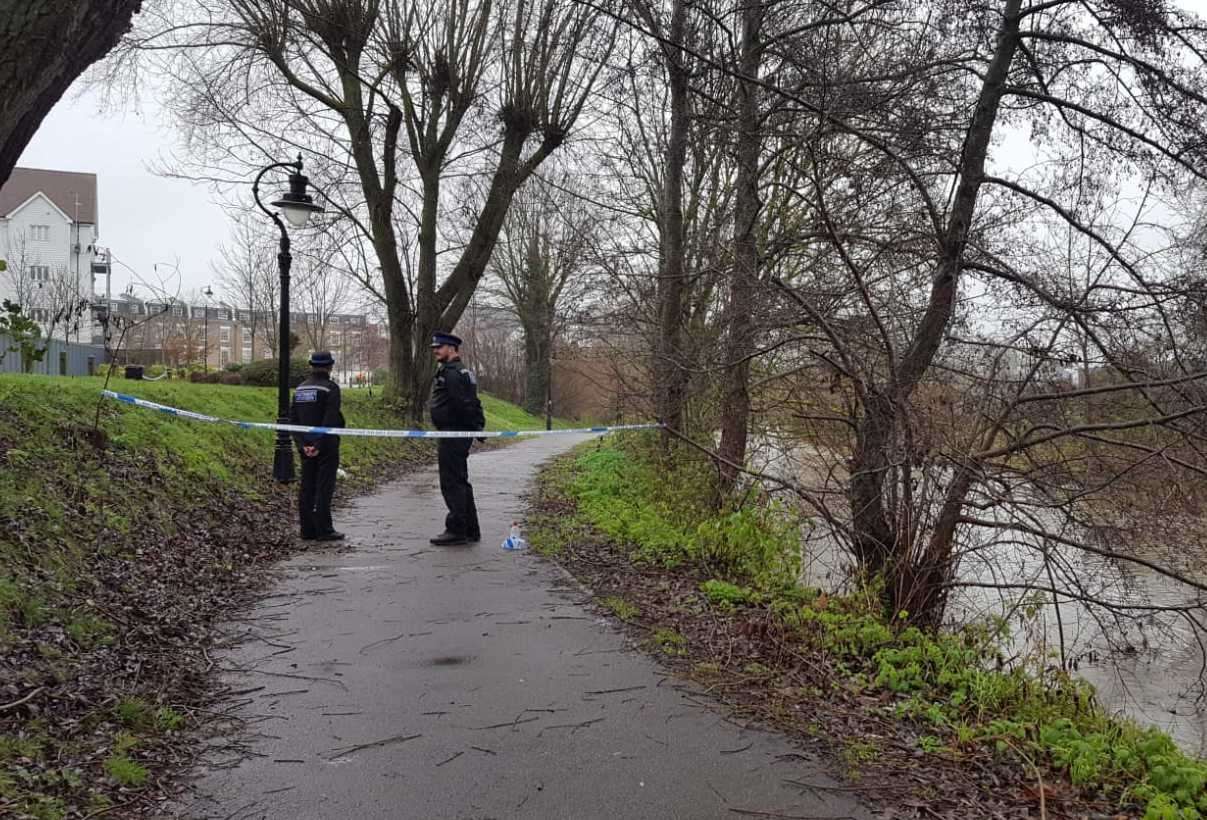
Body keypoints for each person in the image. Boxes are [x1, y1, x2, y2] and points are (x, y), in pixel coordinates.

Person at [428, 331, 485, 546]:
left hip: (454, 433)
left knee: (451, 482)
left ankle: (457, 530)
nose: (435, 351)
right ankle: (471, 529)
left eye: (439, 347)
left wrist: (474, 426)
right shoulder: (463, 372)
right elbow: (473, 401)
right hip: (456, 432)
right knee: (460, 481)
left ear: (451, 349)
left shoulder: (452, 373)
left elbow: (464, 403)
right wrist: (477, 426)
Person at [290, 351, 346, 542]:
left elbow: (293, 421)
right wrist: (319, 444)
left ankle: (307, 529)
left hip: (305, 445)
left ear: (311, 366)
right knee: (324, 486)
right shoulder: (331, 388)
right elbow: (330, 418)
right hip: (326, 444)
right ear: (330, 367)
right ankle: (324, 529)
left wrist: (303, 445)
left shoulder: (300, 389)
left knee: (307, 486)